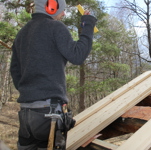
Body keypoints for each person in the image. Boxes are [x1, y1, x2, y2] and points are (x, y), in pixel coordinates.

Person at [10, 0, 97, 149]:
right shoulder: (55, 27)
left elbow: (14, 70)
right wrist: (88, 26)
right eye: (61, 10)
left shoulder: (22, 33)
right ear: (51, 7)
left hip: (26, 112)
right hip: (48, 113)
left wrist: (30, 92)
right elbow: (77, 56)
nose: (63, 14)